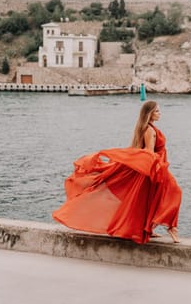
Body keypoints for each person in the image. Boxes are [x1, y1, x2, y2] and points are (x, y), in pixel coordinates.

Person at [52, 100, 182, 244]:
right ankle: (171, 228)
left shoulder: (147, 128)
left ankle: (149, 228)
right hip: (153, 168)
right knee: (174, 192)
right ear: (149, 114)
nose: (160, 113)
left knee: (148, 199)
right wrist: (155, 170)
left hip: (153, 168)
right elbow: (149, 153)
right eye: (157, 111)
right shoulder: (150, 130)